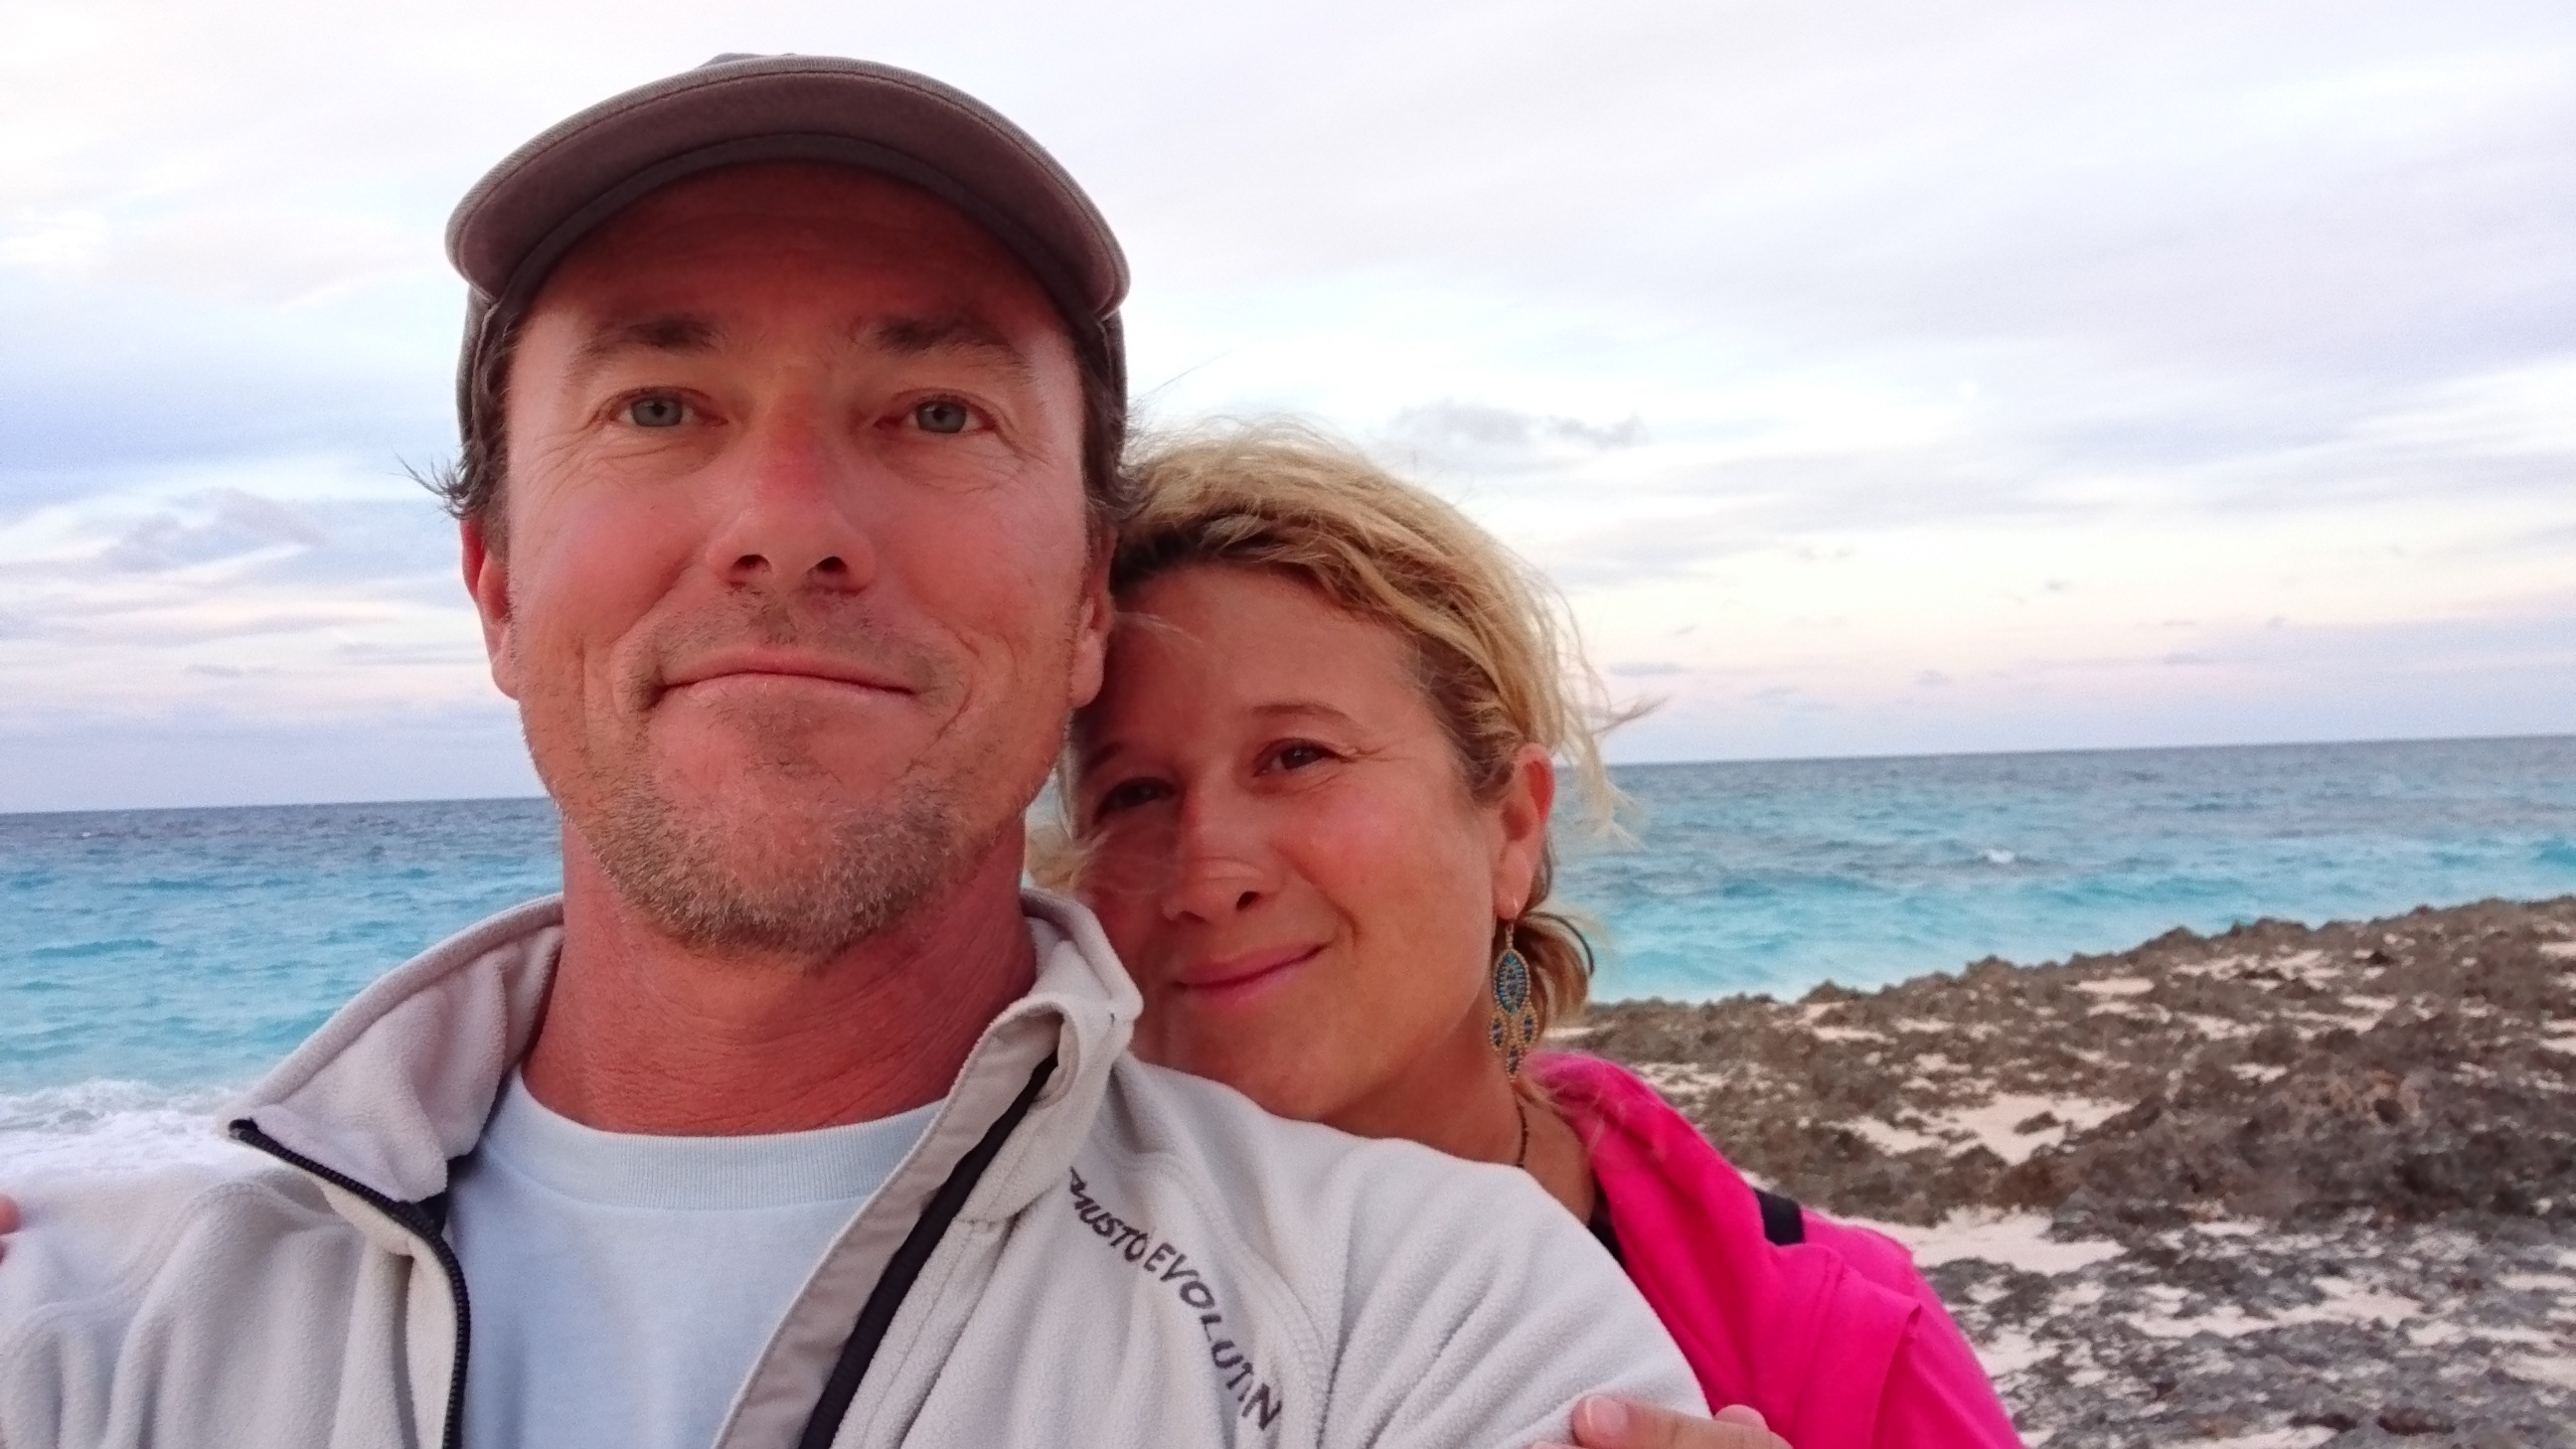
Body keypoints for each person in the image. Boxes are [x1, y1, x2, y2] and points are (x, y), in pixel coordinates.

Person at [0, 55, 1709, 1449]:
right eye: (658, 406)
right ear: (499, 586)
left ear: (1088, 601)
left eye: (938, 413)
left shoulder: (1422, 1320)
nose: (788, 521)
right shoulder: (87, 1334)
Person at [1042, 425, 2027, 1449]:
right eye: (1135, 792)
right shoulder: (986, 1283)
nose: (1207, 876)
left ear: (1512, 827)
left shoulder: (1843, 1350)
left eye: (1297, 756)